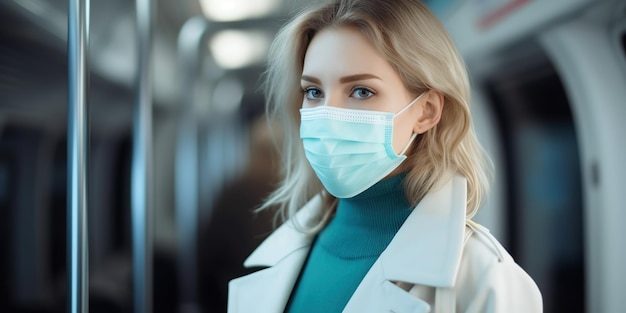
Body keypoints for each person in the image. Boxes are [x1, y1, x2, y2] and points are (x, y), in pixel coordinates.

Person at [228, 0, 543, 312]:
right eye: (314, 92)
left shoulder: (486, 278)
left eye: (361, 91)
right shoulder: (285, 254)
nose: (327, 115)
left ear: (426, 111)